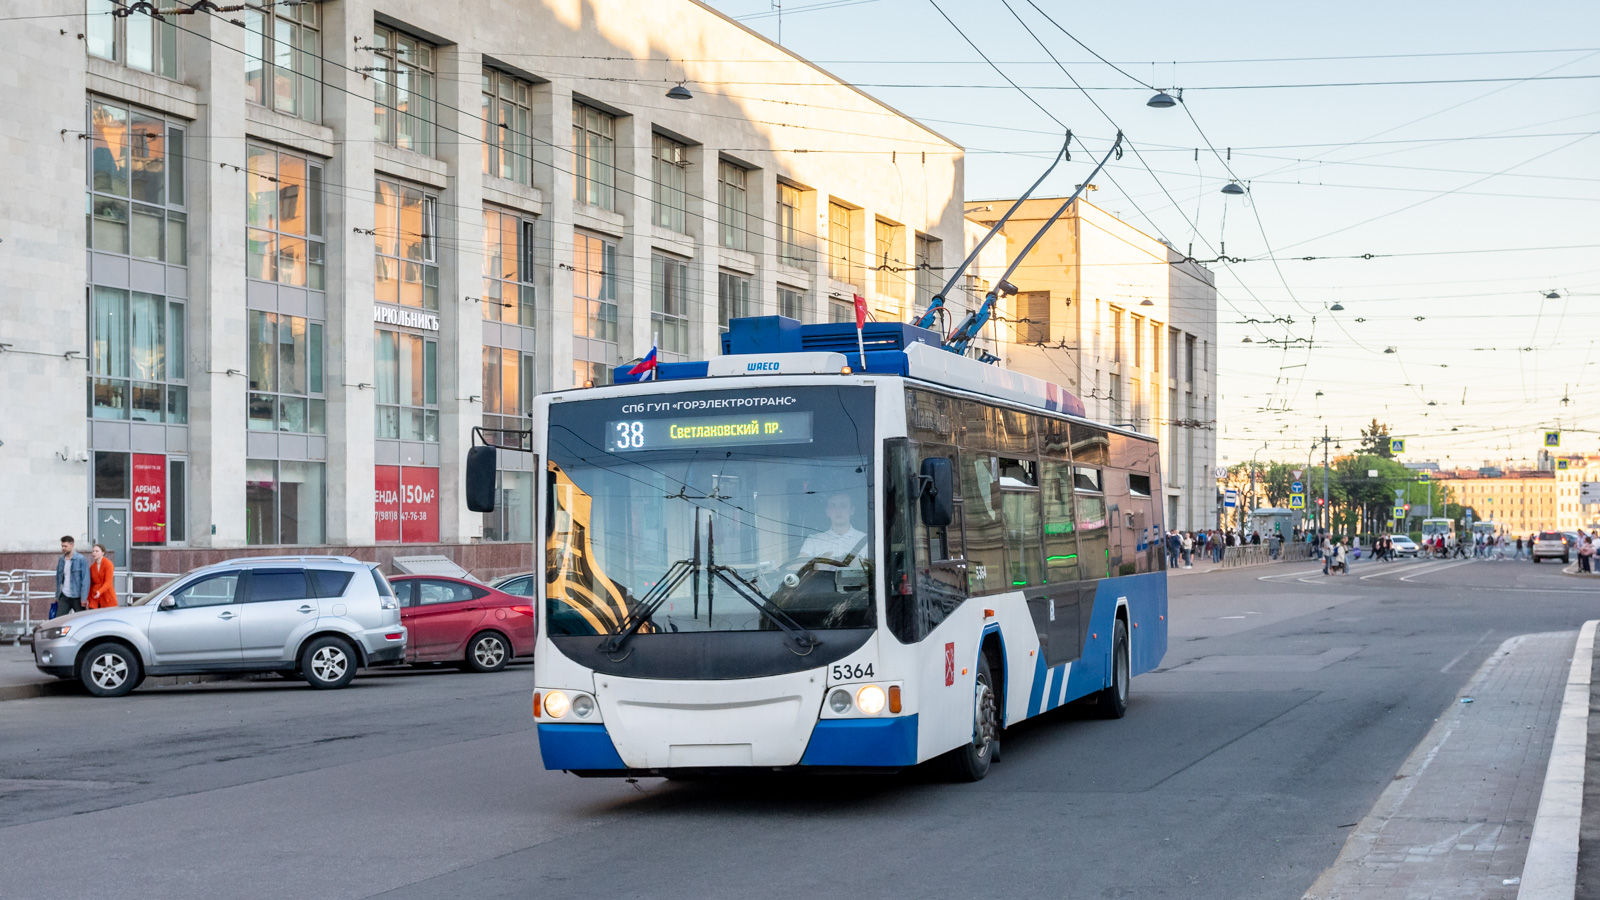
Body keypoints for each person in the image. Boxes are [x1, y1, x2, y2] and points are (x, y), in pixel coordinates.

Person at [797, 493, 868, 570]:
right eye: (833, 506)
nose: (838, 510)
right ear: (827, 512)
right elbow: (797, 568)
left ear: (852, 511)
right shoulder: (813, 541)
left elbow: (874, 572)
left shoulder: (866, 541)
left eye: (843, 505)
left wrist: (860, 565)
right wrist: (817, 565)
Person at [53, 535, 88, 617]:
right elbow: (59, 579)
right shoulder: (61, 559)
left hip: (77, 597)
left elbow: (85, 580)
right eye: (62, 546)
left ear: (72, 545)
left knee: (81, 620)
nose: (63, 548)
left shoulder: (81, 559)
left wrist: (84, 598)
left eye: (65, 546)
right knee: (59, 619)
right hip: (64, 596)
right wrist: (57, 596)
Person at [87, 543, 117, 609]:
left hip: (106, 595)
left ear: (103, 553)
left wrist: (100, 591)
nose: (94, 553)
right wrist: (88, 599)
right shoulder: (92, 567)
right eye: (93, 551)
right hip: (95, 596)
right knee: (93, 615)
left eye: (97, 551)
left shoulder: (108, 564)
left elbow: (108, 582)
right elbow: (91, 584)